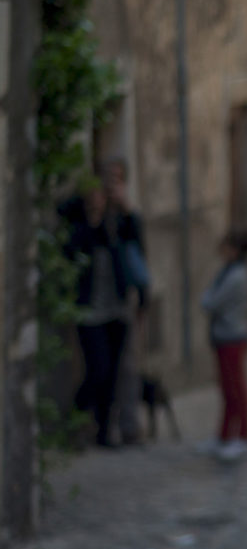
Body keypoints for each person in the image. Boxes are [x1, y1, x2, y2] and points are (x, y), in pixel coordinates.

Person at [61, 175, 147, 448]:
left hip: (117, 309)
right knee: (98, 370)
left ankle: (104, 431)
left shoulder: (116, 223)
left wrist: (125, 206)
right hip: (90, 311)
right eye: (93, 194)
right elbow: (71, 250)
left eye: (101, 194)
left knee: (112, 375)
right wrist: (91, 219)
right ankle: (75, 417)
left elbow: (136, 241)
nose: (98, 199)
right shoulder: (79, 226)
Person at [199, 229, 247, 462]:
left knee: (236, 388)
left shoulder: (237, 276)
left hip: (233, 337)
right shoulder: (228, 271)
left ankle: (242, 435)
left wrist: (207, 298)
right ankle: (224, 435)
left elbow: (211, 302)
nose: (221, 250)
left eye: (225, 246)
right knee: (226, 388)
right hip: (224, 337)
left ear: (235, 250)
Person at [103, 156, 150, 446]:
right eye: (108, 178)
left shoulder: (128, 217)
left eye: (117, 179)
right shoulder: (95, 213)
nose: (112, 185)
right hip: (99, 302)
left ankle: (130, 425)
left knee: (128, 365)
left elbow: (139, 256)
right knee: (103, 366)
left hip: (124, 300)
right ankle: (105, 425)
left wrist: (127, 208)